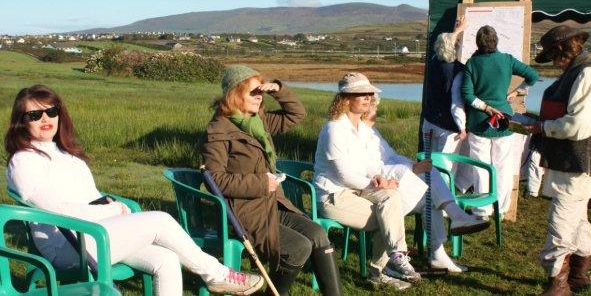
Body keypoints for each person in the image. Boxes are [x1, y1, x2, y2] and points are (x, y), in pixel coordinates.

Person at [5, 85, 264, 296]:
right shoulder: (24, 160)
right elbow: (58, 211)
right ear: (21, 122)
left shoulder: (63, 151)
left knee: (166, 260)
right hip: (70, 244)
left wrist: (108, 204)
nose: (45, 119)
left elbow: (84, 195)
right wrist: (110, 210)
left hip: (94, 233)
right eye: (34, 115)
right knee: (160, 220)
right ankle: (216, 274)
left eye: (51, 111)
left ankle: (216, 275)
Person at [313, 73, 489, 290]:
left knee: (408, 195)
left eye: (370, 93)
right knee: (388, 215)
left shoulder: (363, 129)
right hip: (335, 196)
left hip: (359, 190)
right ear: (346, 98)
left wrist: (397, 172)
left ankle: (398, 259)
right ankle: (384, 268)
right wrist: (378, 182)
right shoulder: (334, 129)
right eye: (362, 94)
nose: (368, 97)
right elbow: (343, 174)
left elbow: (377, 160)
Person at [202, 65, 342, 296]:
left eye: (261, 91)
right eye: (253, 92)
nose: (259, 96)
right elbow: (214, 180)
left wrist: (278, 89)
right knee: (298, 247)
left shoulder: (259, 122)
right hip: (243, 211)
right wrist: (260, 183)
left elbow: (296, 114)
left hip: (272, 203)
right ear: (234, 93)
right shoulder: (218, 131)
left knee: (318, 234)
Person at [524, 25, 591, 296]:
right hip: (575, 164)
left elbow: (578, 125)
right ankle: (579, 275)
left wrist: (545, 127)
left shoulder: (587, 75)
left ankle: (558, 284)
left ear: (562, 51)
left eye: (554, 56)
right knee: (577, 220)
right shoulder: (576, 73)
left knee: (561, 223)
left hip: (581, 165)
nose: (555, 63)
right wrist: (540, 122)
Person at [461, 25, 539, 218]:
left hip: (479, 122)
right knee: (502, 167)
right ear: (496, 41)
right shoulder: (507, 60)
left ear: (478, 43)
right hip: (504, 119)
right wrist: (515, 92)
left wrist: (486, 108)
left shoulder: (472, 64)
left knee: (481, 167)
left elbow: (467, 95)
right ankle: (501, 208)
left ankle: (482, 209)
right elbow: (533, 76)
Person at [422, 15, 473, 191]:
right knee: (445, 165)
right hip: (447, 127)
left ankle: (428, 196)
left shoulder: (434, 61)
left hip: (429, 122)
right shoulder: (458, 70)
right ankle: (443, 203)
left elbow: (445, 45)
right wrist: (462, 127)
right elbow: (456, 103)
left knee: (430, 163)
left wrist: (456, 30)